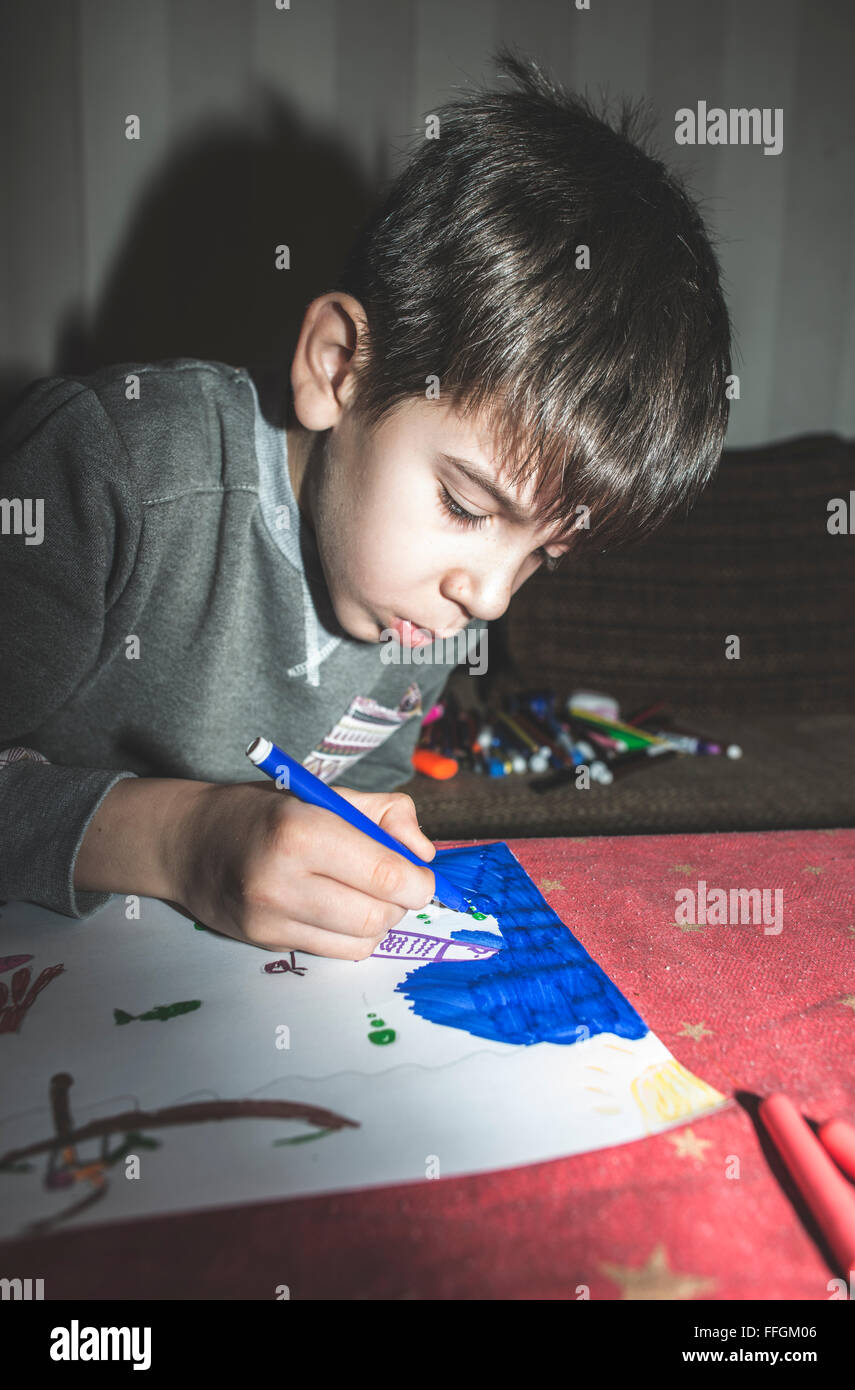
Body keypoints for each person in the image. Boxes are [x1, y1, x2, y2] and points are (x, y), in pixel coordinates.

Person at [0, 50, 731, 958]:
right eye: (465, 505)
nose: (489, 598)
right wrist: (181, 842)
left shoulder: (418, 606)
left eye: (542, 554)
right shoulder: (106, 466)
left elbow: (363, 771)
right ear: (337, 367)